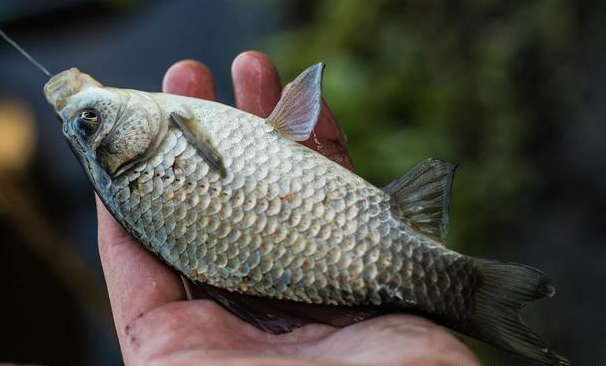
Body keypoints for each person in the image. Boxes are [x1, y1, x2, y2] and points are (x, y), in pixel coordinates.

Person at [94, 51, 481, 366]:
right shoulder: (163, 135)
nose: (92, 115)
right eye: (89, 123)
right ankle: (465, 294)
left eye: (89, 120)